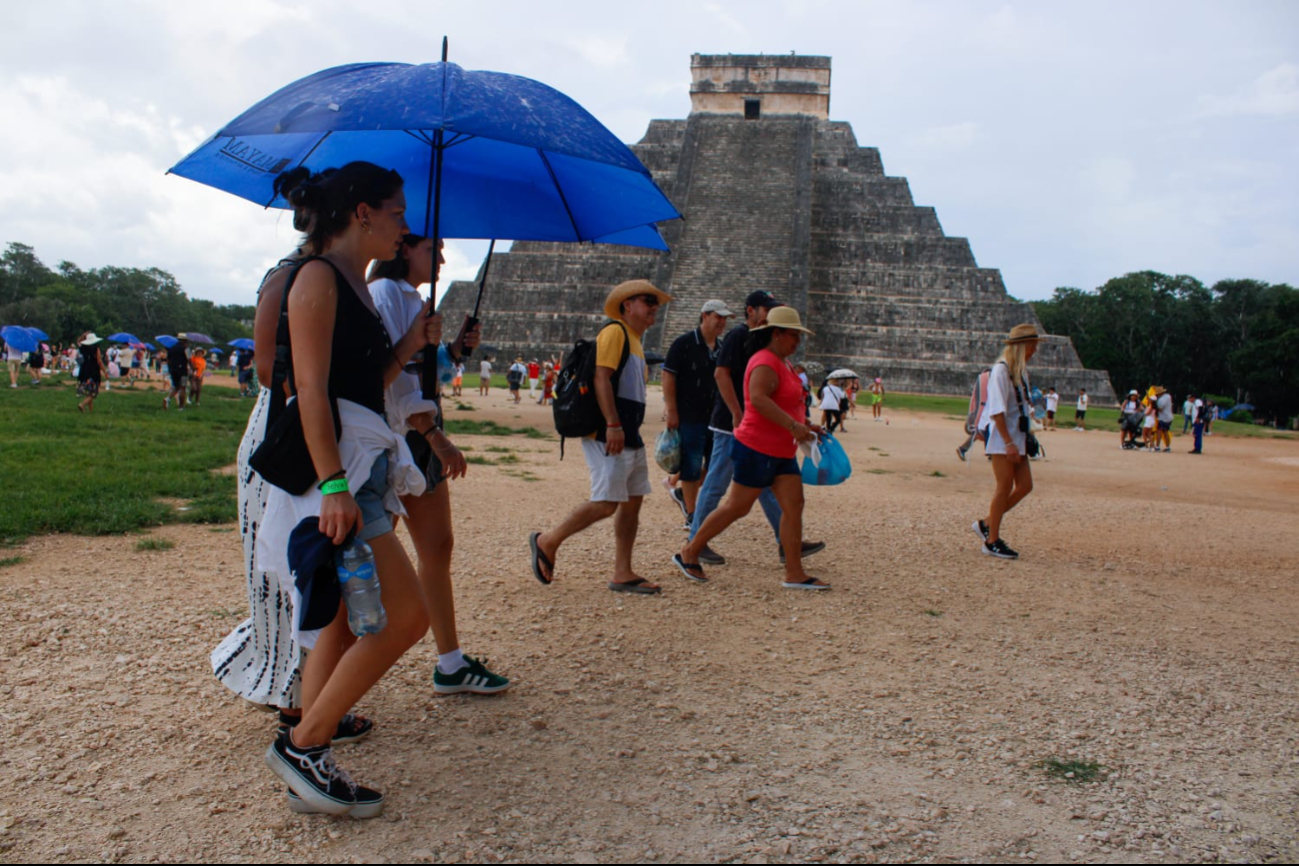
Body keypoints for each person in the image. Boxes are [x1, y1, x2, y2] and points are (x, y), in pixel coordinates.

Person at [256, 162, 443, 816]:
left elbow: (360, 381)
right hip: (336, 473)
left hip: (358, 466)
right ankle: (303, 744)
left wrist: (411, 345)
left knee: (339, 618)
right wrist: (333, 483)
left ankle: (310, 741)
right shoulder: (314, 278)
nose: (403, 227)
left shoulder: (354, 285)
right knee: (406, 615)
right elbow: (307, 387)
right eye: (396, 213)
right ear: (361, 212)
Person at [369, 233, 510, 695]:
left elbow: (427, 374)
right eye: (434, 248)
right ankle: (317, 666)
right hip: (401, 437)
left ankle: (450, 660)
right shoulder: (387, 294)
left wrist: (454, 351)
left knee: (437, 547)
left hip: (419, 433)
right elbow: (390, 382)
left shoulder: (410, 298)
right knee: (368, 556)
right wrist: (435, 436)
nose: (444, 257)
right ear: (403, 248)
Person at [529, 280, 671, 594]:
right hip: (611, 432)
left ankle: (623, 571)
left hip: (627, 432)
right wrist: (612, 425)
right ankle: (547, 541)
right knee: (607, 503)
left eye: (656, 302)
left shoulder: (634, 340)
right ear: (627, 305)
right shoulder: (615, 333)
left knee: (632, 504)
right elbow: (601, 378)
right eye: (648, 300)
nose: (654, 308)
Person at [676, 307, 829, 589]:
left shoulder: (782, 363)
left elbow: (784, 402)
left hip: (781, 449)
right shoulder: (765, 362)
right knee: (737, 506)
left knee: (793, 506)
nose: (797, 341)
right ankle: (690, 549)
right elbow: (758, 399)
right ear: (776, 334)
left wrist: (806, 423)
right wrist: (794, 427)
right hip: (757, 447)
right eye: (793, 335)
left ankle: (794, 572)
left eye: (798, 336)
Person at [972, 324, 1041, 560]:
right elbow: (997, 411)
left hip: (1016, 437)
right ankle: (991, 540)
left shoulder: (1019, 371)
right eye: (1032, 345)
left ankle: (987, 523)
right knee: (1004, 487)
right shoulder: (1001, 371)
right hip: (1004, 439)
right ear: (1022, 347)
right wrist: (1009, 443)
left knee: (1025, 486)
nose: (1035, 349)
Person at [662, 300, 733, 529]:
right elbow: (668, 376)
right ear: (704, 316)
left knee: (715, 465)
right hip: (689, 415)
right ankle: (692, 514)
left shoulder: (722, 348)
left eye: (724, 318)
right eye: (718, 317)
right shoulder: (683, 343)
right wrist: (672, 411)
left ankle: (684, 495)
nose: (722, 322)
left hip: (715, 418)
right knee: (691, 465)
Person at [164, 338, 189, 410]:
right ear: (185, 341)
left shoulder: (171, 348)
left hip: (173, 370)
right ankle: (181, 407)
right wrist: (194, 368)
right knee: (183, 388)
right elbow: (189, 359)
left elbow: (168, 360)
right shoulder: (186, 349)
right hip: (183, 371)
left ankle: (168, 399)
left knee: (177, 386)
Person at [1153, 386, 1174, 452]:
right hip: (1169, 416)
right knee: (1165, 432)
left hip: (1163, 417)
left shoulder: (1161, 400)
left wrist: (1155, 406)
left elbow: (1161, 409)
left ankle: (1157, 446)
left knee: (1159, 432)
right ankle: (1167, 447)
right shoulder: (1168, 396)